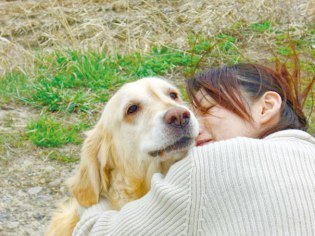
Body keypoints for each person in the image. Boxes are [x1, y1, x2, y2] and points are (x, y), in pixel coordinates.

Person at [73, 59, 315, 235]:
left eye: (207, 110)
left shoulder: (207, 166)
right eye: (133, 109)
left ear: (265, 107)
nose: (184, 118)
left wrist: (89, 202)